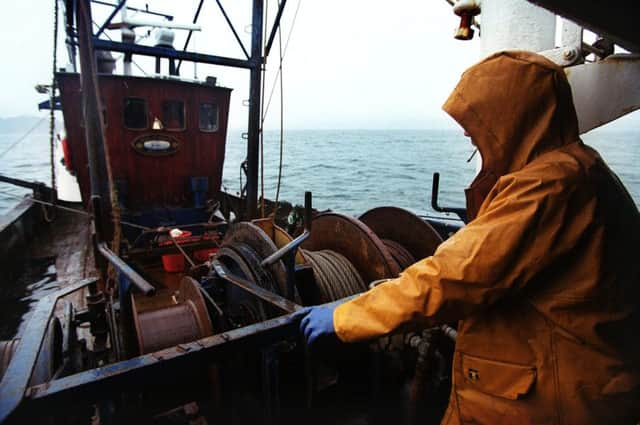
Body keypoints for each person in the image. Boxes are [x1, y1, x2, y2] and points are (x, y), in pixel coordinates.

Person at [295, 51, 640, 424]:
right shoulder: (582, 169)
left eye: (477, 118)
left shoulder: (550, 186)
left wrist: (347, 316)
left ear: (512, 117)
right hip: (577, 386)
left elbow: (455, 276)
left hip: (551, 400)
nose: (466, 131)